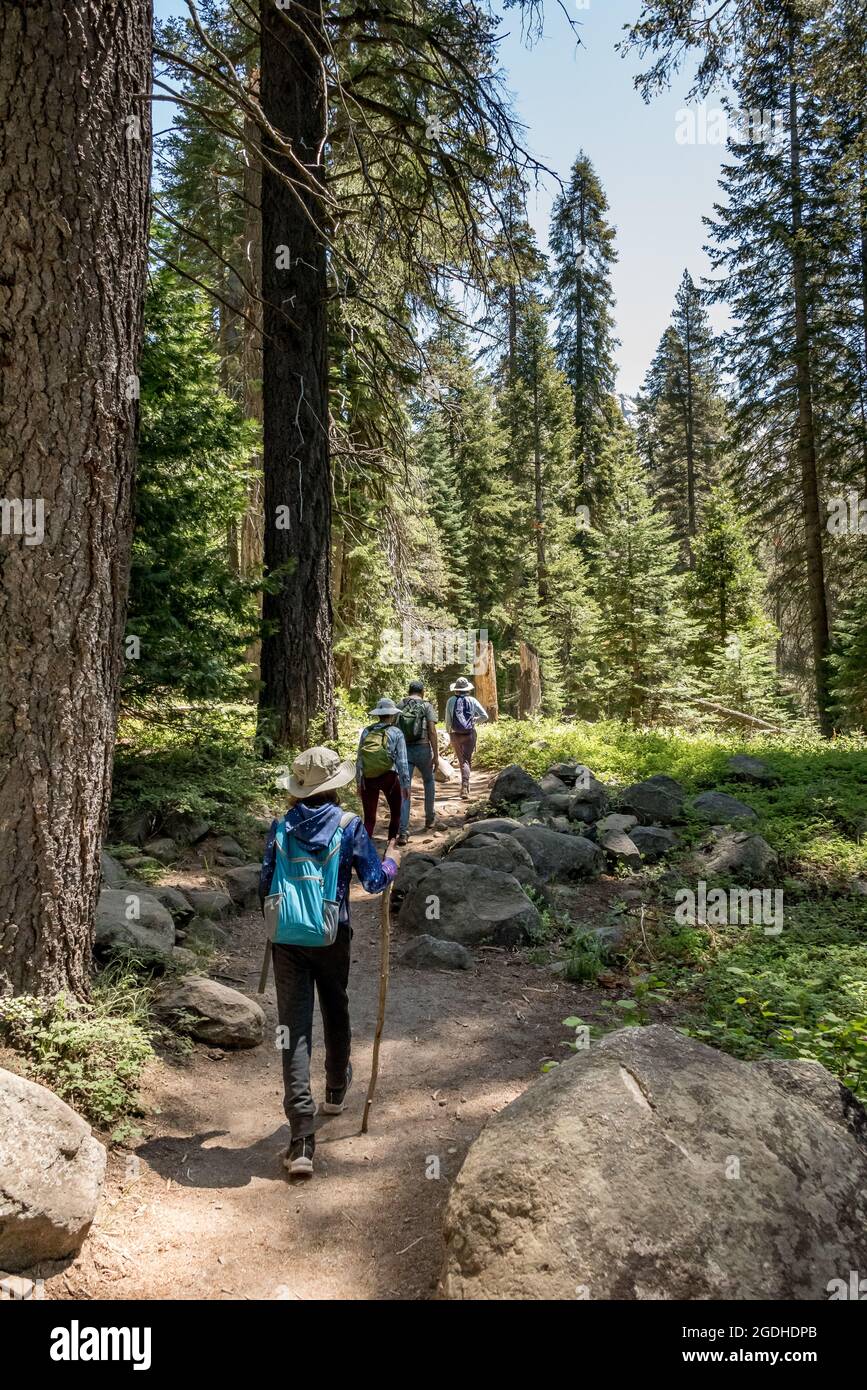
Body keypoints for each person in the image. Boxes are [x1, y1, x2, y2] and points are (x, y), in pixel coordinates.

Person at [259, 746, 399, 1178]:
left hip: (285, 939)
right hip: (331, 934)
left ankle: (301, 1138)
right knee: (335, 1007)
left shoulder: (280, 826)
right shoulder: (348, 825)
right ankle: (336, 1089)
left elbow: (264, 883)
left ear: (298, 789)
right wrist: (394, 859)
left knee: (292, 1029)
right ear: (335, 787)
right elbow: (374, 881)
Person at [355, 697, 410, 841]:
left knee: (369, 819)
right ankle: (391, 846)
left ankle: (363, 850)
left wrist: (358, 782)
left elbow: (360, 758)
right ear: (392, 715)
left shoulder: (367, 731)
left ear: (378, 714)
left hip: (369, 778)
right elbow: (402, 762)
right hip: (389, 777)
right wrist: (406, 785)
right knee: (396, 813)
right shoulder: (396, 732)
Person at [396, 678, 439, 843]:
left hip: (404, 750)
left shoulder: (400, 705)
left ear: (409, 691)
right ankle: (429, 819)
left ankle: (403, 832)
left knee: (404, 789)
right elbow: (433, 731)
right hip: (423, 749)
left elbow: (394, 730)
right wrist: (436, 755)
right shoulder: (426, 706)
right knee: (429, 781)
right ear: (422, 692)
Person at [445, 675, 489, 800]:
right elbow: (485, 716)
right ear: (467, 689)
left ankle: (464, 787)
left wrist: (449, 733)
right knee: (467, 760)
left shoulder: (450, 701)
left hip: (455, 734)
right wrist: (475, 720)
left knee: (461, 761)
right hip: (469, 734)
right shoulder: (472, 700)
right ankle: (465, 787)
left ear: (456, 689)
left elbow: (448, 719)